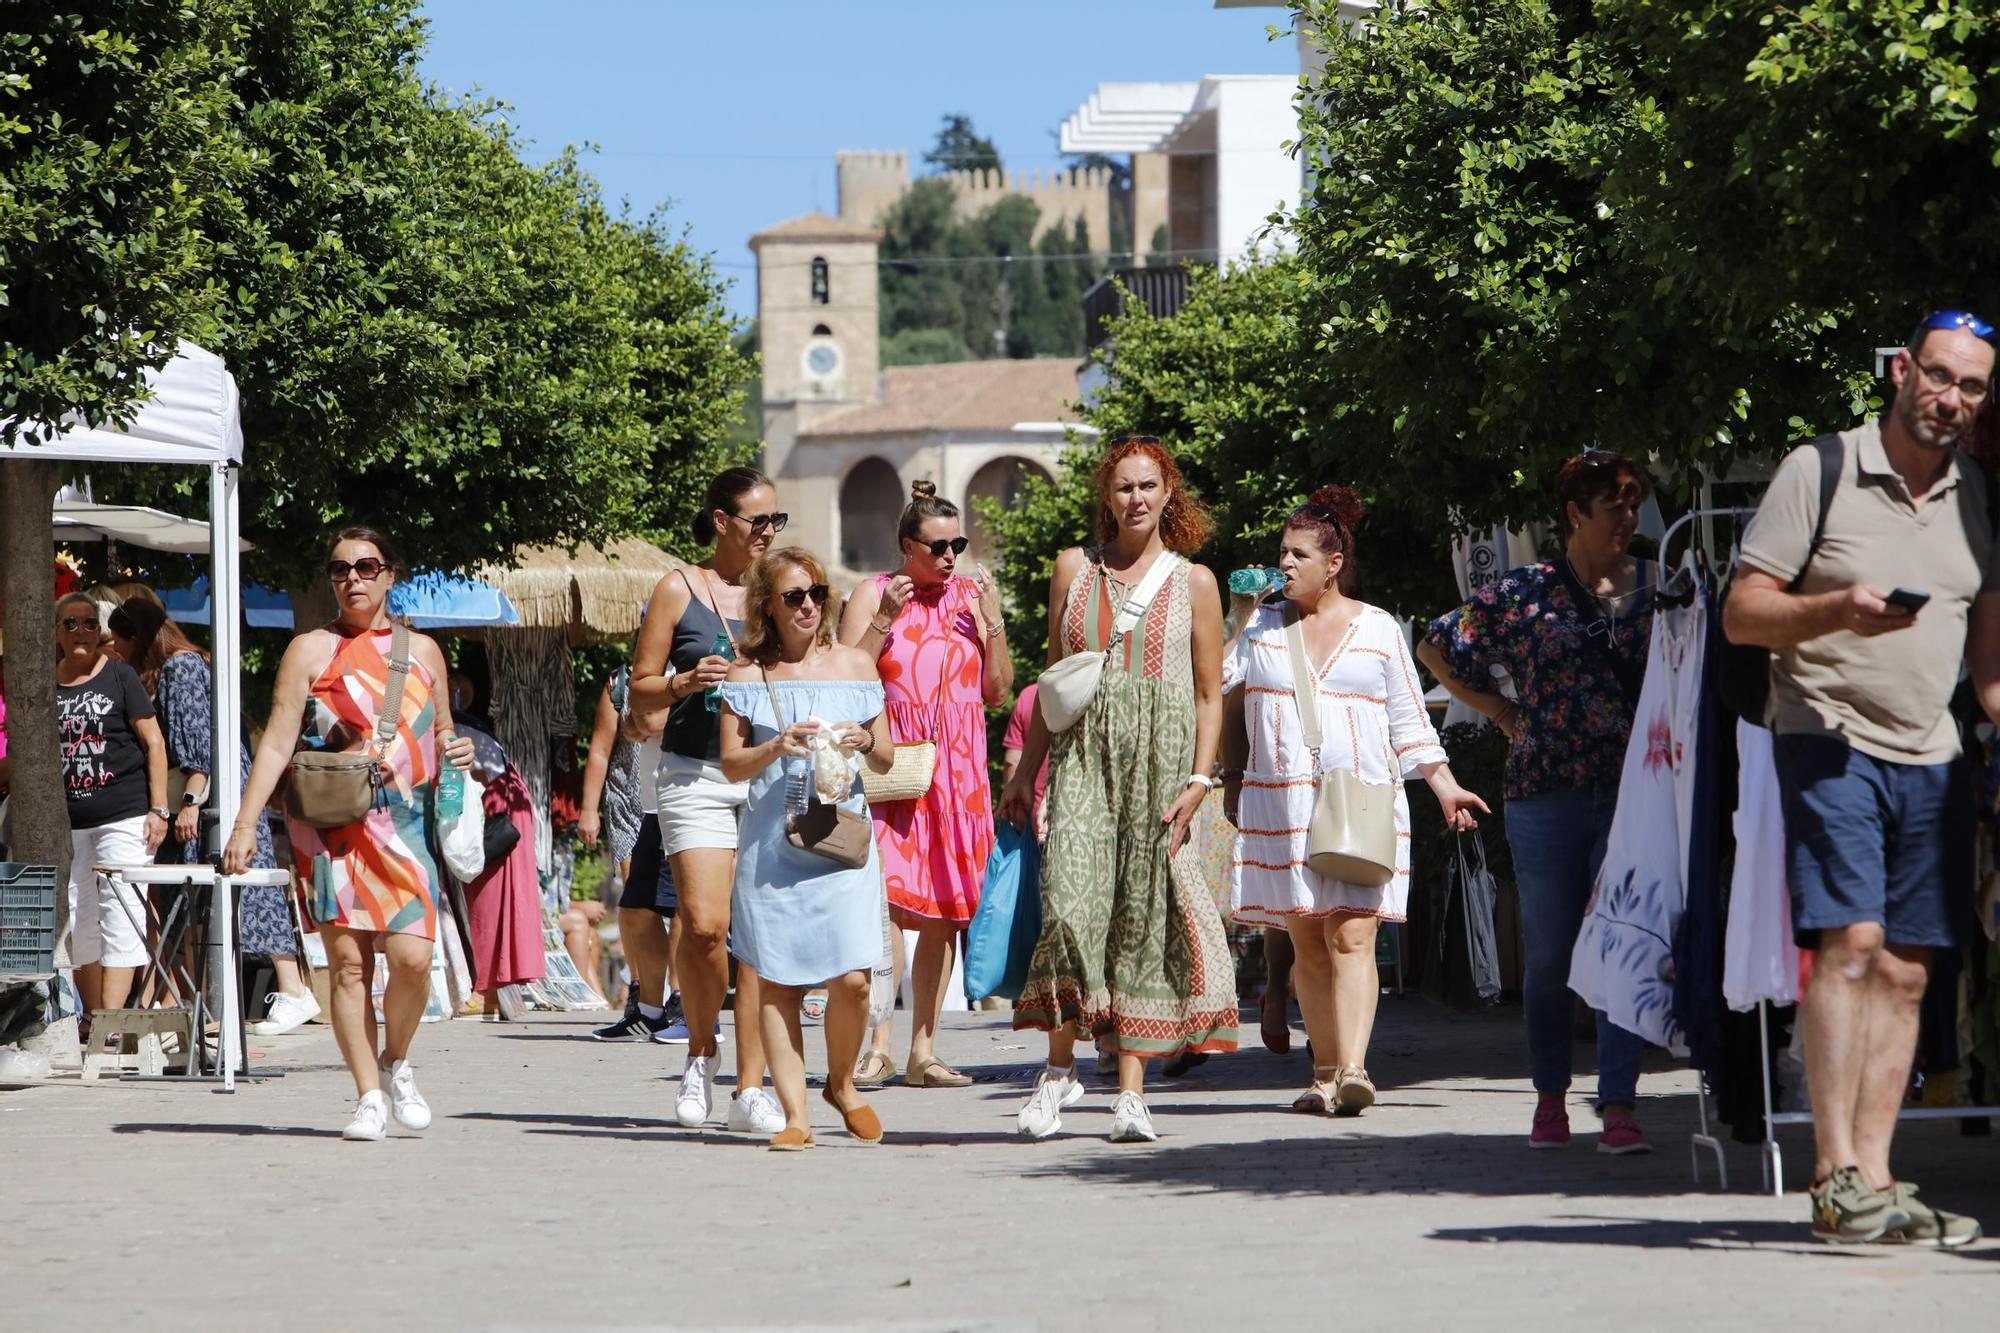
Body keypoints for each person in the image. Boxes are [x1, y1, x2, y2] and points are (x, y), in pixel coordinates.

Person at [1732, 310, 1995, 1247]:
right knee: (1852, 940)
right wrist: (1836, 608)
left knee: (1912, 968)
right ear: (1900, 371)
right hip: (1826, 734)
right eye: (1937, 376)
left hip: (1934, 753)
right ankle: (1833, 1172)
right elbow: (1742, 614)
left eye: (1970, 386)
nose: (1950, 398)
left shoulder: (1980, 500)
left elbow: (1992, 671)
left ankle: (1879, 1178)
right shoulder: (1823, 470)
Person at [998, 435, 1239, 1142]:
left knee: (1140, 915)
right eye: (1124, 486)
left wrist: (1200, 779)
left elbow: (1206, 693)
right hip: (1080, 759)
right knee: (1067, 910)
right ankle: (1058, 1067)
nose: (1136, 498)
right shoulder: (1073, 568)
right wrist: (1021, 774)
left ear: (1169, 493)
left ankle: (1131, 1092)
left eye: (1148, 485)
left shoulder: (1194, 580)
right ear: (1107, 495)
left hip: (1159, 764)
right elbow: (1053, 684)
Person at [1420, 452, 1659, 1155]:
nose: (1626, 516)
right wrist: (1494, 706)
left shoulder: (1658, 585)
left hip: (1630, 792)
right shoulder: (1528, 590)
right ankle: (1551, 1097)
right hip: (1543, 790)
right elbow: (1436, 643)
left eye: (1632, 501)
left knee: (1622, 946)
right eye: (1612, 504)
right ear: (1574, 515)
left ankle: (1619, 1104)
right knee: (1552, 954)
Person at [1225, 487, 1488, 1115]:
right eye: (1280, 554)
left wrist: (1445, 786)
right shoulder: (1260, 629)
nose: (1283, 565)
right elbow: (1216, 687)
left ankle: (1354, 1067)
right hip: (1283, 807)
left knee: (1353, 938)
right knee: (1310, 944)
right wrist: (1238, 618)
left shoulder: (1377, 628)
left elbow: (1408, 718)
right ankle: (1322, 1072)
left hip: (1359, 804)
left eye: (1297, 555)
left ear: (1333, 563)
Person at [224, 528, 475, 1141]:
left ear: (391, 574)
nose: (352, 579)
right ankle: (367, 1095)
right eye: (340, 569)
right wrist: (246, 822)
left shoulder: (424, 652)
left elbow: (442, 731)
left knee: (414, 959)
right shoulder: (310, 649)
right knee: (346, 967)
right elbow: (279, 741)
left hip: (406, 825)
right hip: (332, 828)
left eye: (366, 567)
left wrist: (456, 747)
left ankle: (396, 1061)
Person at [718, 548, 897, 1148]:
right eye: (793, 596)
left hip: (842, 844)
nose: (808, 606)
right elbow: (731, 765)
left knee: (853, 981)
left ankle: (841, 1084)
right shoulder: (747, 675)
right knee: (777, 983)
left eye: (816, 593)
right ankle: (796, 1116)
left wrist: (865, 736)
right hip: (774, 850)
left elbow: (888, 756)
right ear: (768, 604)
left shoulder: (855, 666)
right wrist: (775, 747)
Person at [839, 480, 1012, 1087]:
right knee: (883, 897)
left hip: (959, 770)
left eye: (957, 544)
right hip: (891, 765)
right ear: (908, 545)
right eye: (938, 545)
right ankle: (876, 1042)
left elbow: (997, 692)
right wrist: (885, 621)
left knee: (943, 907)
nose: (950, 556)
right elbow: (844, 675)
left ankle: (924, 1051)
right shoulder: (872, 593)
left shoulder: (973, 598)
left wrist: (991, 625)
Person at [629, 467, 779, 1133]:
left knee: (756, 936)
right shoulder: (675, 589)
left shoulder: (786, 588)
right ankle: (700, 1050)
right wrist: (684, 681)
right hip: (694, 771)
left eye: (777, 521)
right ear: (721, 521)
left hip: (771, 771)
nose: (769, 533)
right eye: (758, 521)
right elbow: (640, 690)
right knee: (704, 923)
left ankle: (753, 1083)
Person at [106, 597, 318, 1035]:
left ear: (136, 638)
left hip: (216, 790)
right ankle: (192, 998)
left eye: (119, 642)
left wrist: (191, 801)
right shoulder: (188, 663)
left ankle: (292, 987)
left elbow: (199, 745)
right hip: (220, 786)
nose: (118, 652)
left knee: (242, 886)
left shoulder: (180, 669)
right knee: (201, 898)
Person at [56, 591, 169, 1021]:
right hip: (69, 822)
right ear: (57, 634)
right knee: (79, 917)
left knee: (122, 911)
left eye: (89, 623)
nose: (81, 631)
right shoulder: (48, 681)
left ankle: (112, 1020)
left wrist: (159, 809)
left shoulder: (119, 676)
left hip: (124, 814)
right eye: (70, 623)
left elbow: (153, 743)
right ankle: (95, 1017)